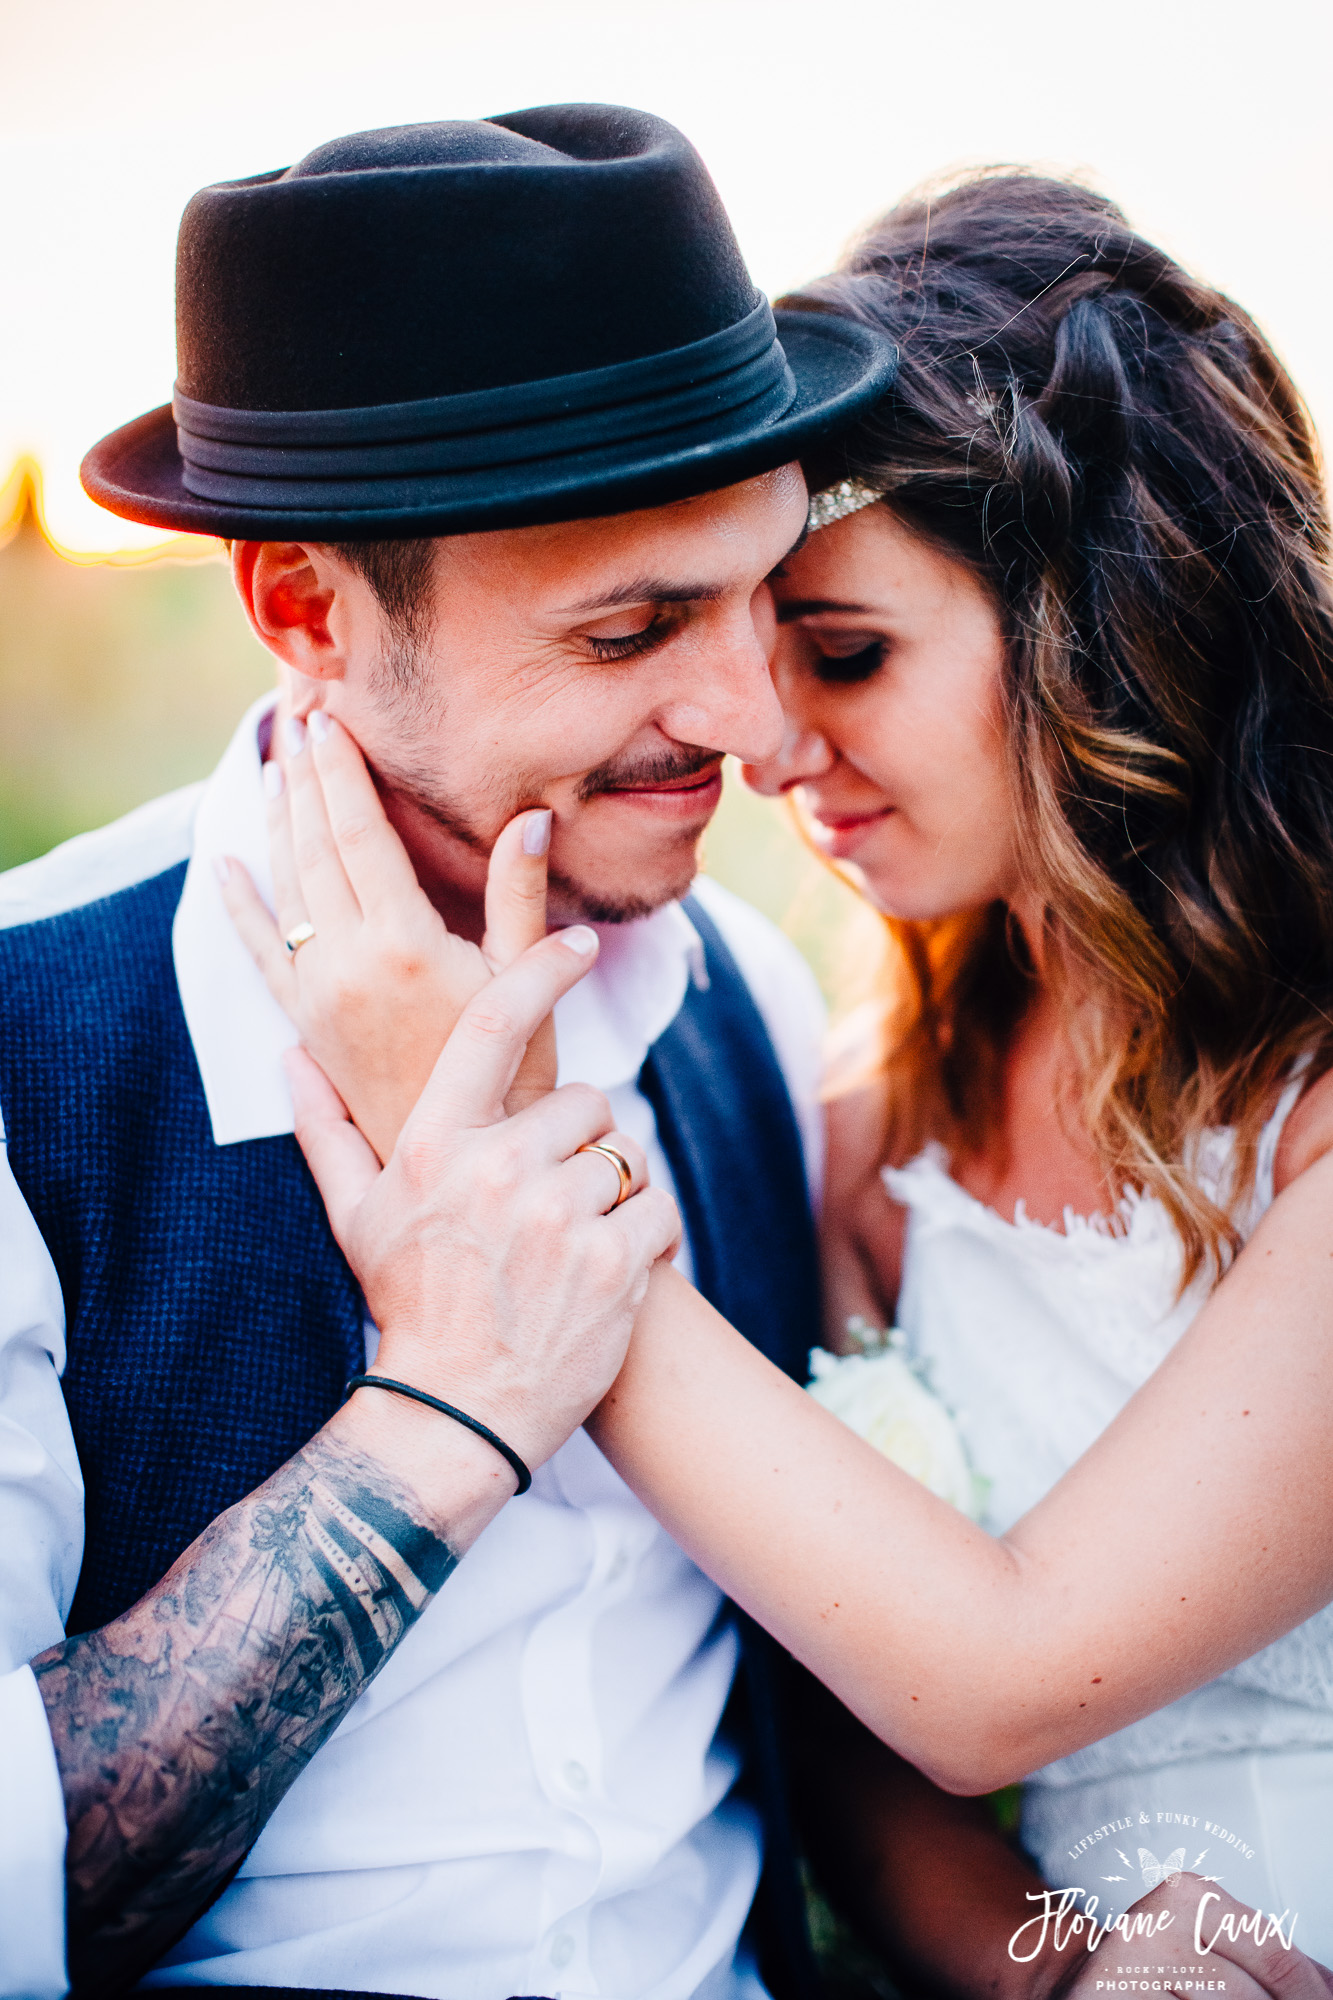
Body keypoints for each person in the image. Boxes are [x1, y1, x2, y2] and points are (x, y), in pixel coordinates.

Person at [229, 173, 1333, 1987]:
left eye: (840, 656)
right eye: (714, 638)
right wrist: (1054, 1974)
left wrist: (509, 1187)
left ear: (1107, 636)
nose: (760, 738)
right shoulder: (869, 1108)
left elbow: (992, 1677)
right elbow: (851, 1729)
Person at [0, 106, 896, 1997]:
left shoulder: (754, 1005)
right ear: (306, 609)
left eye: (760, 593)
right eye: (631, 628)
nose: (745, 715)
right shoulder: (25, 1049)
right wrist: (453, 1413)